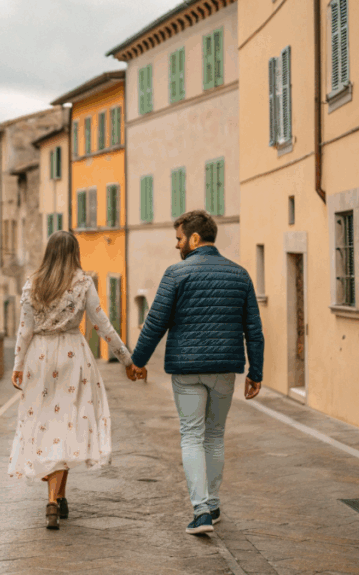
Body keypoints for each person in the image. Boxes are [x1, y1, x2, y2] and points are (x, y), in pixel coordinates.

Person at [127, 210, 264, 536]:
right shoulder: (240, 275)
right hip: (223, 370)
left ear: (194, 238)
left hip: (186, 370)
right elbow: (254, 330)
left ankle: (201, 511)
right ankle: (213, 504)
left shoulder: (176, 274)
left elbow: (155, 322)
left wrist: (137, 361)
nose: (177, 245)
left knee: (191, 435)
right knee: (215, 435)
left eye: (178, 238)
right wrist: (255, 372)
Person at [8, 231, 143, 529]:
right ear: (74, 253)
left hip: (39, 358)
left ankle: (60, 496)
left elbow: (24, 329)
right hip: (72, 355)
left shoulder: (33, 283)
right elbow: (102, 324)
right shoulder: (83, 283)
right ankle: (53, 502)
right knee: (67, 421)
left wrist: (18, 364)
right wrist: (127, 359)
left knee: (48, 423)